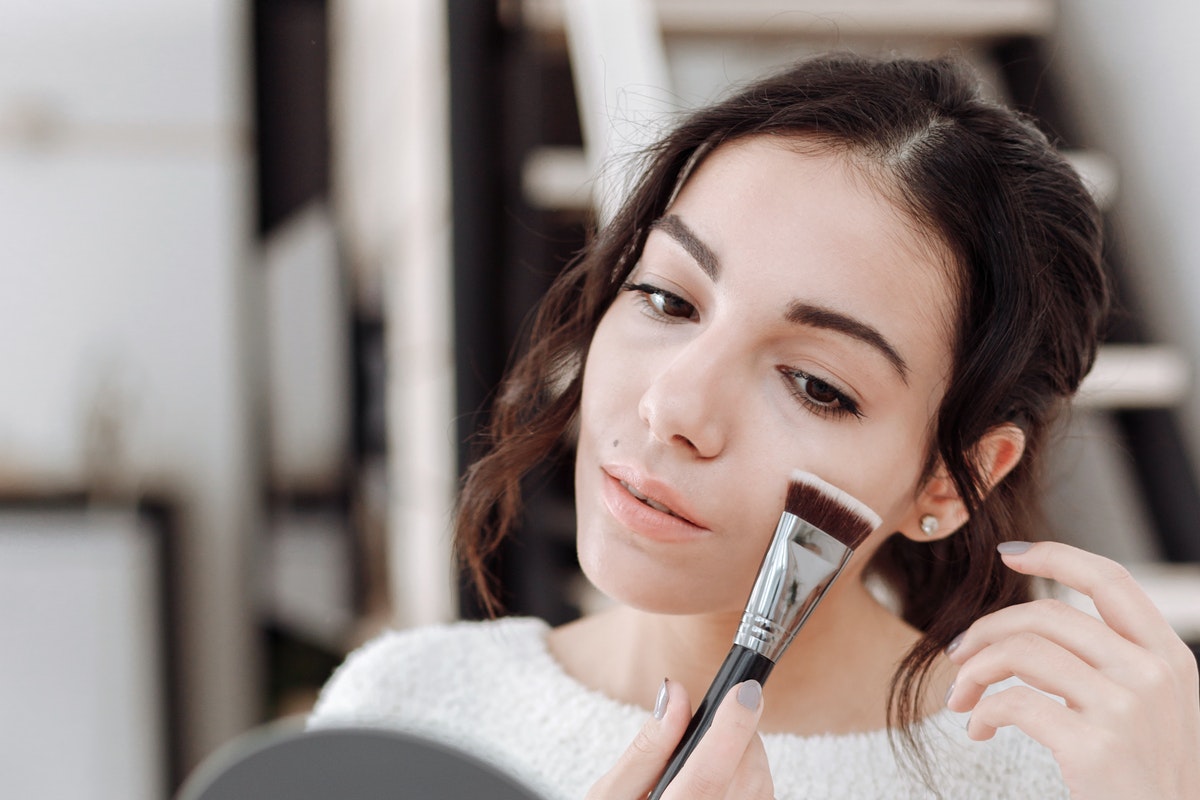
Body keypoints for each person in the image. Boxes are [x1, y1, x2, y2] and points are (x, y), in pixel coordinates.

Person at [309, 54, 1200, 798]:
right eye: (665, 297)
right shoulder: (405, 715)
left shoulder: (1048, 773)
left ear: (951, 478)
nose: (674, 407)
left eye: (814, 384)